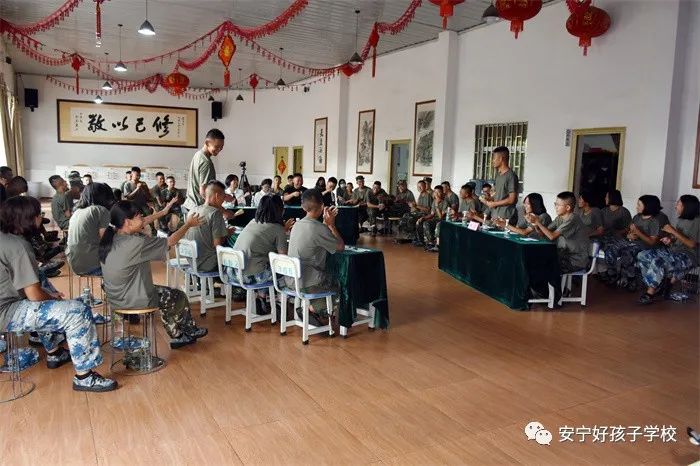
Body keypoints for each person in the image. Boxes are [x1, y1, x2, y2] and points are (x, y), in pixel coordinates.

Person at [0, 196, 117, 391]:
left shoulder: (5, 238)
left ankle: (54, 353)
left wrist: (47, 296)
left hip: (7, 302)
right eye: (38, 214)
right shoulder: (18, 246)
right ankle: (85, 377)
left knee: (42, 285)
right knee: (77, 311)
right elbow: (35, 296)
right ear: (27, 219)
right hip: (6, 312)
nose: (41, 218)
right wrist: (52, 297)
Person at [99, 201, 208, 351]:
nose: (143, 219)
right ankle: (182, 333)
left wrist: (162, 212)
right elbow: (171, 241)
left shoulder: (112, 238)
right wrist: (188, 224)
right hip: (132, 299)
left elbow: (142, 222)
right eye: (139, 216)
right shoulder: (135, 243)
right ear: (128, 222)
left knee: (167, 294)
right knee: (177, 296)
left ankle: (181, 333)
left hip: (115, 296)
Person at [287, 189, 344, 326]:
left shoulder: (297, 225)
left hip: (290, 280)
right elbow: (340, 246)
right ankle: (313, 309)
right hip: (308, 283)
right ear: (322, 206)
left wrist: (325, 224)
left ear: (303, 207)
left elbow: (317, 234)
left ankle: (313, 308)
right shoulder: (319, 228)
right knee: (341, 283)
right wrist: (331, 225)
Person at [231, 195, 294, 313]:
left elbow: (265, 236)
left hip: (234, 273)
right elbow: (283, 258)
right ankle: (281, 303)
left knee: (264, 265)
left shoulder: (252, 222)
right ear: (280, 210)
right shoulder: (277, 228)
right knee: (285, 271)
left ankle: (261, 299)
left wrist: (282, 230)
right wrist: (282, 231)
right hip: (250, 276)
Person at [638, 195, 700, 304]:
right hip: (674, 250)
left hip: (689, 255)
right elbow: (678, 238)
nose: (676, 206)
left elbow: (692, 244)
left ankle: (650, 293)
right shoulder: (681, 219)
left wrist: (673, 231)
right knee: (642, 255)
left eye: (678, 204)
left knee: (658, 261)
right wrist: (670, 240)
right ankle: (658, 285)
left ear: (686, 206)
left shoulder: (697, 221)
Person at [602, 195, 661, 290]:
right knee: (611, 248)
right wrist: (629, 235)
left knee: (627, 253)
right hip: (631, 242)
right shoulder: (637, 217)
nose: (636, 207)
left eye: (639, 205)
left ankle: (630, 278)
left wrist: (638, 232)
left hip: (643, 246)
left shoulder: (654, 222)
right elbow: (629, 231)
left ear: (647, 207)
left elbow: (652, 242)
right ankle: (612, 273)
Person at [532, 191, 590, 275]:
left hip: (575, 261)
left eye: (558, 205)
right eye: (555, 204)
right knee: (535, 260)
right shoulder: (559, 218)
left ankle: (553, 284)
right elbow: (544, 233)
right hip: (563, 256)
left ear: (567, 207)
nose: (556, 207)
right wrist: (535, 224)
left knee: (543, 266)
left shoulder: (572, 219)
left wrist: (538, 222)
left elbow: (552, 236)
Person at [185, 181, 230, 272]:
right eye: (223, 197)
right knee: (237, 259)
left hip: (191, 261)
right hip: (207, 264)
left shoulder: (193, 210)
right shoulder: (215, 213)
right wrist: (227, 234)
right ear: (217, 196)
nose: (224, 200)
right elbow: (217, 245)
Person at [184, 128, 224, 214]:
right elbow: (203, 192)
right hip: (198, 209)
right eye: (216, 147)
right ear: (207, 143)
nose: (219, 150)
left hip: (191, 205)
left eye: (221, 147)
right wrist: (223, 210)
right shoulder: (206, 162)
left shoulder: (198, 154)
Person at [482, 146, 518, 224]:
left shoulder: (511, 176)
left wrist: (494, 204)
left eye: (494, 158)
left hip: (505, 217)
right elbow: (497, 195)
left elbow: (512, 199)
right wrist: (488, 198)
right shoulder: (498, 175)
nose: (492, 161)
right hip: (495, 215)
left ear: (501, 159)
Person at [415, 185, 448, 250]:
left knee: (432, 223)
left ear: (442, 193)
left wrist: (437, 205)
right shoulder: (434, 201)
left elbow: (440, 217)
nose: (436, 194)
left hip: (442, 220)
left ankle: (435, 244)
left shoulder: (445, 202)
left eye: (438, 192)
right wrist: (423, 218)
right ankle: (428, 242)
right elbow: (432, 214)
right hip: (435, 219)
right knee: (424, 222)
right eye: (435, 192)